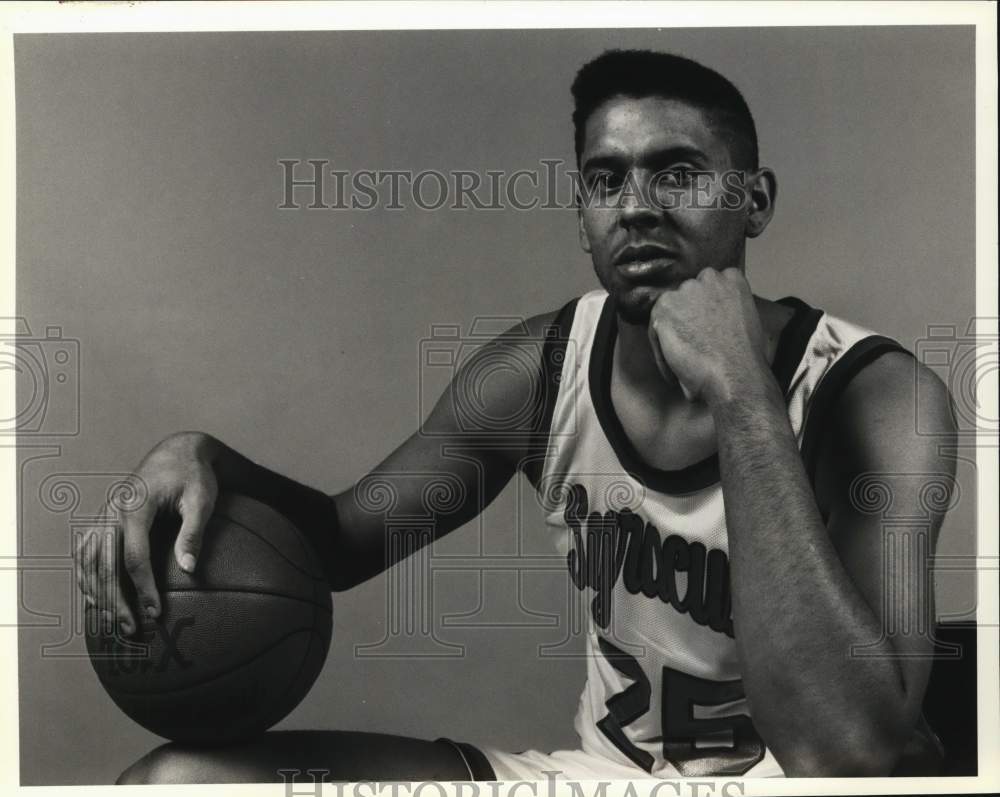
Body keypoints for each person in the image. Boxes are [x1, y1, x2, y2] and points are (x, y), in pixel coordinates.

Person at [75, 50, 957, 783]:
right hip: (600, 776)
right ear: (583, 217)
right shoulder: (537, 373)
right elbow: (341, 545)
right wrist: (205, 457)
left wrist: (742, 391)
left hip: (797, 784)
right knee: (180, 781)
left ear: (754, 201)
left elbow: (851, 753)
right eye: (606, 179)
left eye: (678, 173)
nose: (638, 205)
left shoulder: (877, 399)